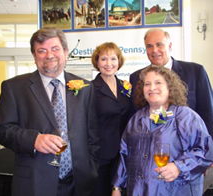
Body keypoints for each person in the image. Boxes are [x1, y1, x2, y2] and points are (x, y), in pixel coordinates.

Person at [0, 27, 99, 196]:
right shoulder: (13, 87)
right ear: (34, 55)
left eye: (55, 49)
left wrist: (91, 169)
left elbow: (92, 135)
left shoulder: (85, 87)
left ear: (66, 52)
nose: (49, 55)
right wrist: (34, 140)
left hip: (79, 183)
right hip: (35, 183)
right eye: (42, 51)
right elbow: (2, 129)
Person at [112, 66, 213, 196]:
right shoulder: (136, 119)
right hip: (138, 191)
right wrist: (117, 187)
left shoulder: (185, 117)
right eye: (147, 84)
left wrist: (179, 167)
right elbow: (124, 155)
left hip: (175, 190)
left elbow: (205, 151)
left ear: (169, 87)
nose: (152, 88)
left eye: (158, 82)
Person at [130, 28, 213, 138]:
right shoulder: (137, 77)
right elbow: (134, 114)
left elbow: (207, 112)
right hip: (151, 145)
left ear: (169, 46)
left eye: (159, 45)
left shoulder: (195, 71)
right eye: (149, 46)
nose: (154, 50)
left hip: (189, 144)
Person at [91, 42, 131, 196]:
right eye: (104, 59)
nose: (109, 64)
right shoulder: (90, 89)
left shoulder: (125, 87)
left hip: (123, 155)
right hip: (100, 158)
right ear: (97, 62)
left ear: (119, 62)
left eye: (113, 59)